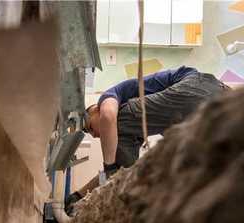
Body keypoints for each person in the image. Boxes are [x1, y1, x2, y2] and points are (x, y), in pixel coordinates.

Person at [65, 66, 228, 213]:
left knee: (120, 123)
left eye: (90, 129)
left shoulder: (109, 99)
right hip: (219, 97)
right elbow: (122, 171)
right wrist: (79, 195)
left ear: (95, 110)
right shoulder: (149, 123)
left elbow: (108, 117)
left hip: (195, 87)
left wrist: (109, 165)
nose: (95, 136)